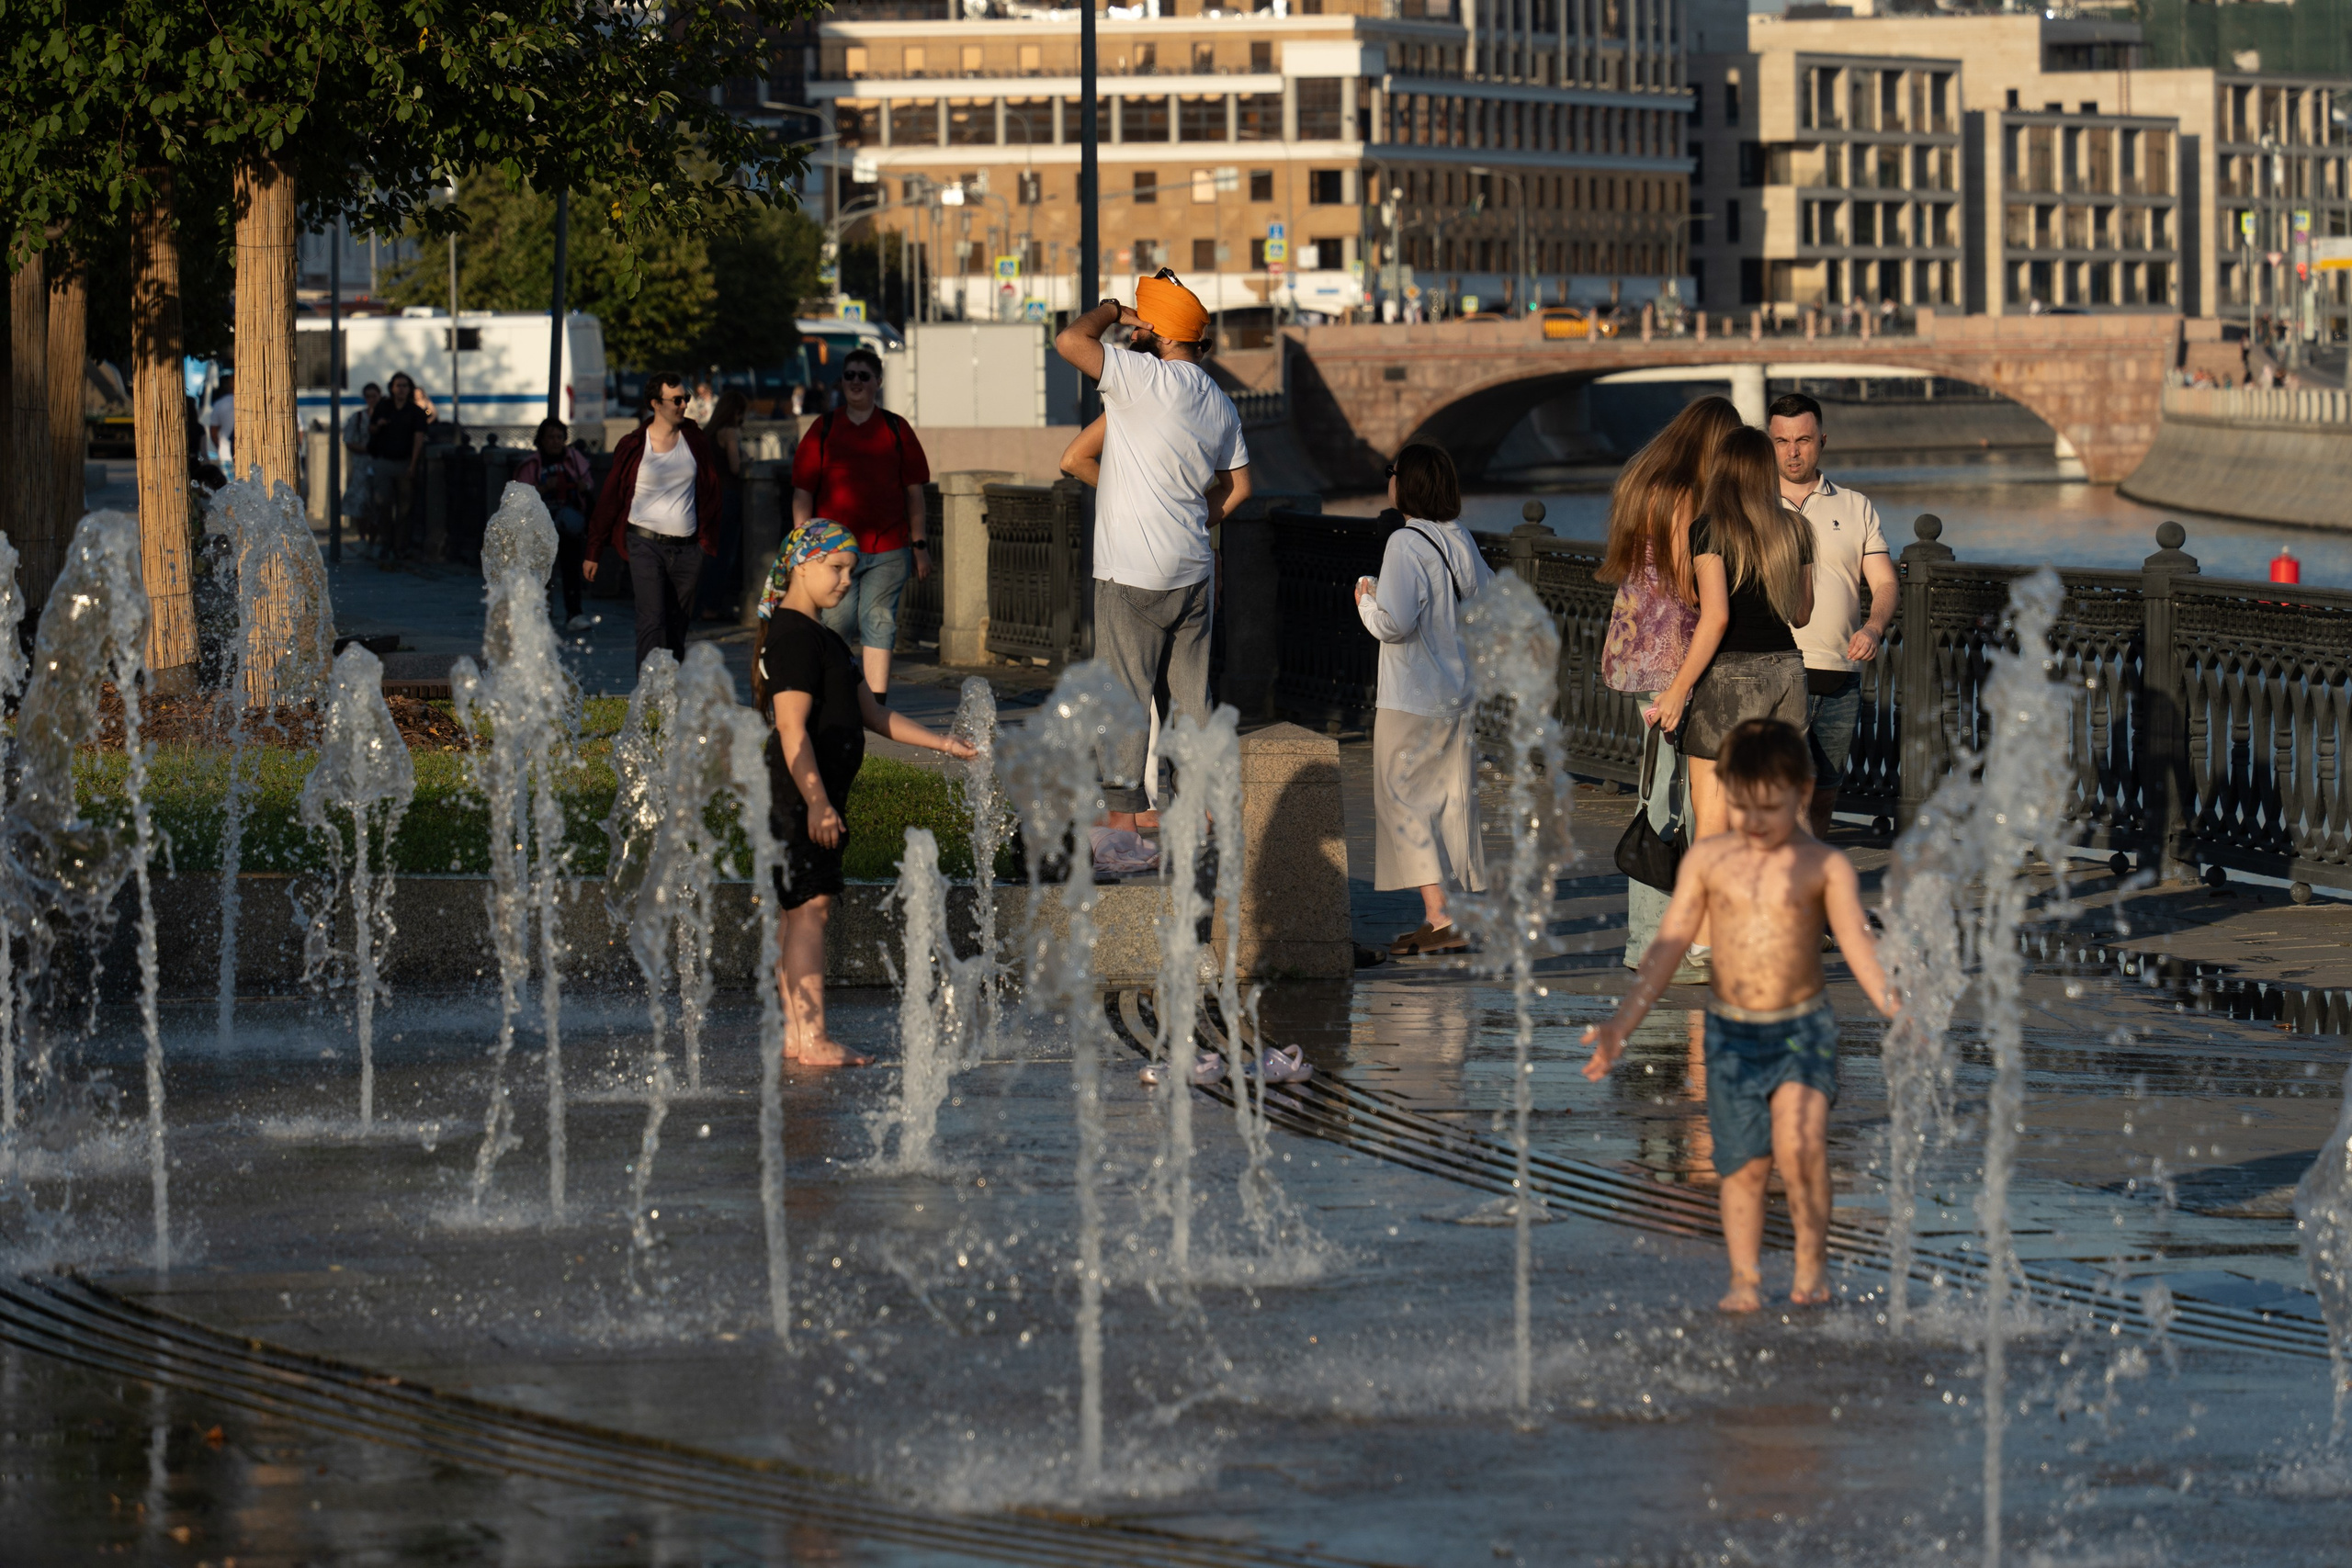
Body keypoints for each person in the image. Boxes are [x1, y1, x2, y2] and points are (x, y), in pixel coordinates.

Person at [1579, 717, 1894, 1313]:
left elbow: (1857, 945)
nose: (1753, 823)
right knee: (1743, 1166)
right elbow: (1669, 944)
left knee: (1801, 1149)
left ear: (1802, 792)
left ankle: (1810, 1260)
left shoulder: (1825, 867)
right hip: (1729, 1034)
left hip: (1803, 1029)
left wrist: (1896, 1007)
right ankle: (1745, 1275)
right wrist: (1622, 1024)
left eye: (1769, 809)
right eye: (1741, 807)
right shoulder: (1711, 860)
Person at [756, 521, 978, 1066]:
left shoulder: (824, 638)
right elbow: (791, 728)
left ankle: (796, 1036)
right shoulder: (792, 637)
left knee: (798, 909)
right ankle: (813, 1039)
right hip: (803, 792)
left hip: (815, 791)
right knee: (811, 908)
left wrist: (943, 743)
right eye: (836, 568)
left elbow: (873, 714)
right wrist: (815, 801)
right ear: (802, 566)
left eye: (852, 570)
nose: (846, 579)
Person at [1052, 270, 1250, 854]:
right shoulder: (1217, 400)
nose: (1133, 324)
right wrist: (1191, 520)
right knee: (1191, 699)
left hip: (1132, 573)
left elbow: (1069, 342)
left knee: (1125, 695)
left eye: (1143, 317)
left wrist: (1111, 309)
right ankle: (1200, 813)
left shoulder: (1142, 379)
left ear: (1158, 328)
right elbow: (1239, 490)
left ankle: (1121, 828)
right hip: (1193, 572)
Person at [1644, 424, 1815, 977]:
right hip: (1789, 674)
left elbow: (1715, 617)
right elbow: (1802, 613)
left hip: (1730, 680)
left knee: (1713, 820)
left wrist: (1676, 691)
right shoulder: (1795, 527)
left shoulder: (1710, 529)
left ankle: (1711, 940)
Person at [1595, 395, 1743, 978]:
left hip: (1638, 658)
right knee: (1666, 802)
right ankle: (1653, 946)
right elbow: (1689, 581)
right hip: (1672, 665)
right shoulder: (1685, 498)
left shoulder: (1645, 482)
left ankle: (1657, 940)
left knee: (1661, 794)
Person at [1353, 444, 1495, 956]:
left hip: (1410, 695)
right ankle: (1449, 909)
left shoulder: (1403, 544)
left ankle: (1439, 915)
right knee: (1450, 801)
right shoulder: (1459, 538)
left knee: (1402, 801)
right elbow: (1489, 603)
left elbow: (1393, 624)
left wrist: (1365, 599)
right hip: (1457, 694)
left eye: (1392, 473)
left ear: (1404, 483)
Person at [1768, 392, 1897, 840]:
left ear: (1822, 440)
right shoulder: (1755, 507)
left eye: (1802, 439)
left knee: (1824, 793)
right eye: (1782, 441)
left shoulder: (1856, 506)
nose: (1793, 451)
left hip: (1840, 673)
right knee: (1792, 791)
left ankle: (1809, 880)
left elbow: (1883, 583)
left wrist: (1874, 627)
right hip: (1776, 672)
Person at [790, 349, 930, 702]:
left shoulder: (896, 428)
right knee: (837, 622)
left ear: (877, 383)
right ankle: (837, 696)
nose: (855, 382)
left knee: (880, 620)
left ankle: (875, 705)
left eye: (863, 376)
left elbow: (914, 494)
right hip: (833, 552)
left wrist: (920, 546)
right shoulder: (823, 429)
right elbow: (802, 492)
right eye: (849, 375)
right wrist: (802, 547)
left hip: (888, 548)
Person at [585, 371, 722, 669]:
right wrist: (594, 550)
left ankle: (671, 697)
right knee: (652, 620)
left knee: (677, 627)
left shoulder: (694, 439)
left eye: (685, 398)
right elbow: (610, 497)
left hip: (688, 549)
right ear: (655, 404)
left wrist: (704, 544)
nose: (683, 405)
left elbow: (711, 490)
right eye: (676, 400)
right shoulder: (634, 444)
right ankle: (648, 699)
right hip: (644, 543)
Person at [514, 418, 596, 632]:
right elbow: (521, 496)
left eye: (559, 437)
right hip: (540, 525)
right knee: (541, 571)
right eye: (550, 437)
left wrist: (582, 486)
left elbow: (589, 483)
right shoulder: (532, 464)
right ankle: (540, 614)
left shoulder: (575, 459)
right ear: (541, 439)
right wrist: (542, 488)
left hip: (568, 525)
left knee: (571, 569)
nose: (555, 441)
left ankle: (574, 613)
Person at [365, 371, 430, 560]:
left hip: (404, 463)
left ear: (409, 389)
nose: (401, 389)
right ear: (392, 388)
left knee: (404, 508)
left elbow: (419, 439)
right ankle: (386, 543)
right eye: (398, 385)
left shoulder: (416, 412)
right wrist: (379, 424)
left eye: (405, 386)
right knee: (382, 504)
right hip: (384, 461)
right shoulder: (383, 407)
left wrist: (413, 464)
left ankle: (400, 547)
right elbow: (371, 429)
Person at [699, 389, 751, 621]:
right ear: (736, 412)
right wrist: (746, 458)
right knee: (724, 554)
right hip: (728, 496)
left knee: (710, 554)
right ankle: (712, 607)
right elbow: (735, 467)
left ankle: (701, 605)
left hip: (709, 497)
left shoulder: (708, 433)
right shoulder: (730, 432)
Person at [339, 381, 381, 533]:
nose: (372, 399)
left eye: (374, 396)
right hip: (362, 466)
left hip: (380, 465)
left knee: (378, 504)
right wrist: (368, 449)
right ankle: (363, 536)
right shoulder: (357, 418)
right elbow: (349, 442)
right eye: (368, 396)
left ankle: (375, 538)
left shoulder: (385, 417)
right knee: (361, 503)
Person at [204, 374, 235, 474]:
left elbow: (213, 432)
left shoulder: (220, 404)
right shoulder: (251, 402)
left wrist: (220, 447)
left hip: (226, 453)